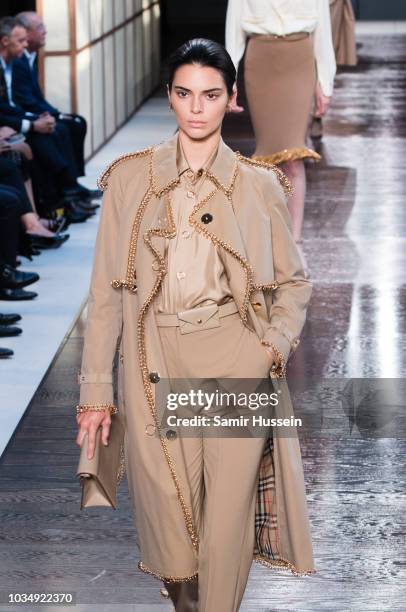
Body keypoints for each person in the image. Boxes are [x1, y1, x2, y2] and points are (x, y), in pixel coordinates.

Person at [75, 38, 315, 612]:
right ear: (171, 98)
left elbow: (294, 281)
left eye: (211, 95)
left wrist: (268, 348)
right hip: (155, 360)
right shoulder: (131, 180)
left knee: (226, 522)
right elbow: (106, 295)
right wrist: (95, 392)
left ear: (232, 100)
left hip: (236, 358)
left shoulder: (259, 185)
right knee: (173, 530)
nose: (197, 108)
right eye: (185, 94)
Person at [225, 0, 337, 275]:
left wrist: (325, 81)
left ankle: (295, 242)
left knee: (294, 158)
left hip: (299, 58)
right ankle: (267, 244)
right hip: (261, 59)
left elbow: (322, 25)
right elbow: (234, 25)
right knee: (266, 160)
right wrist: (229, 78)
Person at [14, 11, 98, 198]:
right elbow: (24, 100)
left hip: (31, 112)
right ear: (26, 33)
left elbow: (37, 97)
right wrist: (52, 116)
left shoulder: (31, 56)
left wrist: (55, 113)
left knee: (77, 122)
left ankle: (73, 182)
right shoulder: (18, 61)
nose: (45, 31)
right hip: (24, 116)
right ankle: (67, 188)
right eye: (40, 28)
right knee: (62, 129)